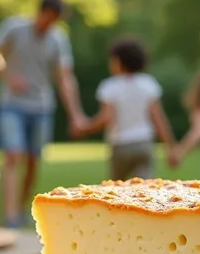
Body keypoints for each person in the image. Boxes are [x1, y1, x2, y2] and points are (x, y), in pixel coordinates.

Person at [0, 0, 88, 228]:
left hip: (41, 107)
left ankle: (19, 209)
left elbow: (65, 78)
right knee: (13, 155)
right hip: (11, 103)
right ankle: (10, 217)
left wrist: (75, 114)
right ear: (39, 12)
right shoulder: (14, 27)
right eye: (46, 17)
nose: (48, 24)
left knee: (32, 161)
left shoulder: (58, 40)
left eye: (54, 20)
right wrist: (8, 76)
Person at [75, 36, 177, 179]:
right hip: (144, 143)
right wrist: (170, 147)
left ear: (118, 61)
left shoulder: (110, 86)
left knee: (117, 188)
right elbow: (158, 119)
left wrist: (86, 128)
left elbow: (106, 118)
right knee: (146, 186)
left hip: (121, 145)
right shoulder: (148, 84)